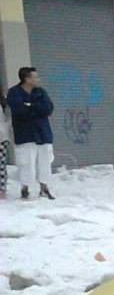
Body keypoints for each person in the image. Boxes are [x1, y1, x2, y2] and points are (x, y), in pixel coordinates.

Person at [6, 67, 55, 200]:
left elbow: (48, 108)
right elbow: (19, 111)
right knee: (27, 163)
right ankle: (25, 188)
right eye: (35, 77)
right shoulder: (14, 92)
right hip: (25, 134)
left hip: (43, 133)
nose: (38, 79)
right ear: (27, 79)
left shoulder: (41, 92)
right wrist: (35, 109)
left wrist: (30, 106)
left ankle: (44, 187)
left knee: (45, 162)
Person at [0, 91, 10, 197]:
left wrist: (5, 128)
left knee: (1, 165)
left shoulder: (4, 102)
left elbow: (9, 118)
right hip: (3, 135)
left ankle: (2, 189)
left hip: (1, 137)